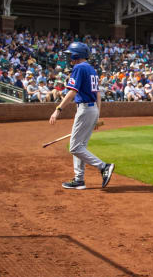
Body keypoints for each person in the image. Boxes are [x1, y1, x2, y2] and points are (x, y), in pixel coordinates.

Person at [49, 42, 115, 190]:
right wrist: (98, 115)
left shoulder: (79, 68)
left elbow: (72, 92)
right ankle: (79, 179)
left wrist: (58, 109)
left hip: (85, 109)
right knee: (80, 145)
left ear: (76, 55)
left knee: (74, 147)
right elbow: (98, 94)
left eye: (70, 54)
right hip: (92, 109)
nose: (68, 57)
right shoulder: (91, 69)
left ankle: (104, 166)